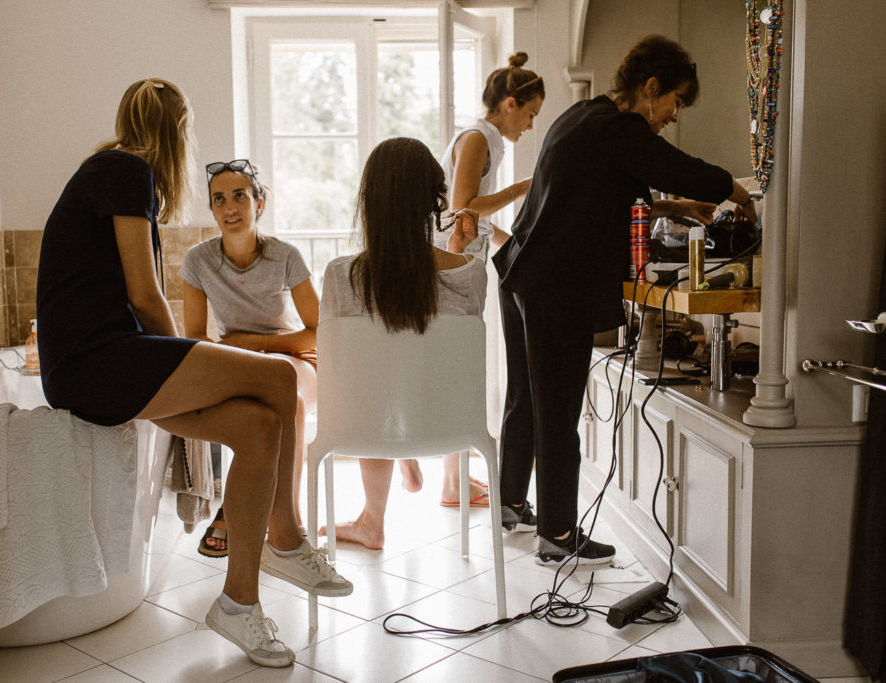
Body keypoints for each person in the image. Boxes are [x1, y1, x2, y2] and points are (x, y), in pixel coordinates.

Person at [35, 78, 351, 669]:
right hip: (97, 361)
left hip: (99, 363)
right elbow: (144, 294)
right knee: (279, 380)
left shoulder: (111, 171)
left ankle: (238, 602)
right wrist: (187, 355)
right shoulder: (127, 170)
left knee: (258, 427)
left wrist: (188, 359)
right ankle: (285, 537)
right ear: (177, 131)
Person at [491, 36, 759, 566]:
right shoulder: (620, 130)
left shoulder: (583, 118)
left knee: (527, 394)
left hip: (522, 272)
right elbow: (676, 164)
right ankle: (559, 535)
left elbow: (602, 187)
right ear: (651, 87)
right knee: (559, 406)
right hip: (554, 284)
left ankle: (511, 502)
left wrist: (674, 205)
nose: (672, 116)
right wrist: (737, 190)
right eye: (674, 102)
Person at [319, 136, 486, 550]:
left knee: (366, 381)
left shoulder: (341, 274)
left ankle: (372, 518)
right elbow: (458, 361)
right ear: (435, 203)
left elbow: (337, 369)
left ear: (368, 202)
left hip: (370, 423)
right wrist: (456, 252)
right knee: (418, 363)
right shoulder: (471, 272)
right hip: (447, 424)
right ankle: (405, 452)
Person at [180, 160, 318, 557]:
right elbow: (193, 338)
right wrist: (238, 352)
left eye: (240, 195)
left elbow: (317, 331)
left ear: (259, 202)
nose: (229, 207)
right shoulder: (198, 261)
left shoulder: (285, 256)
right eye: (218, 199)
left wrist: (255, 344)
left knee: (284, 394)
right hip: (237, 358)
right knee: (248, 407)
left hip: (294, 356)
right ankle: (236, 503)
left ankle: (285, 520)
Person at [431, 51, 545, 511]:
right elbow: (463, 206)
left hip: (462, 259)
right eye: (531, 114)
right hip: (449, 265)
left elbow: (476, 219)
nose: (531, 127)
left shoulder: (489, 140)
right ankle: (451, 484)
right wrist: (526, 187)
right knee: (457, 369)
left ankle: (454, 481)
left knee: (460, 368)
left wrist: (513, 241)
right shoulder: (480, 136)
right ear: (511, 103)